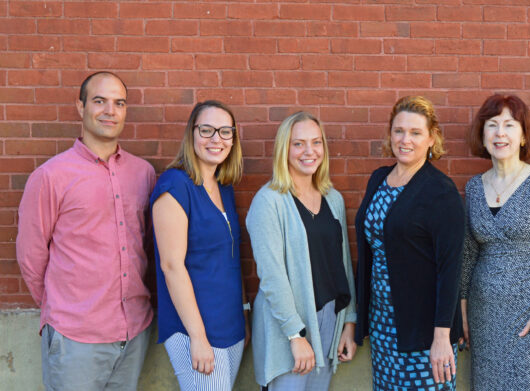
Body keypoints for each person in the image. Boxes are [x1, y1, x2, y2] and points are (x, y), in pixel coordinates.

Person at [16, 71, 154, 390]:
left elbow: (144, 244)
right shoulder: (51, 176)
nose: (110, 110)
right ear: (80, 107)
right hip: (75, 336)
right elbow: (31, 256)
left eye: (119, 103)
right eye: (99, 101)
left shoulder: (143, 173)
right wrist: (63, 311)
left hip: (134, 331)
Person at [354, 96, 465, 390]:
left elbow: (450, 268)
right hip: (383, 324)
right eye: (399, 131)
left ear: (431, 138)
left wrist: (442, 337)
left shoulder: (441, 192)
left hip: (424, 331)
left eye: (416, 133)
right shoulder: (378, 179)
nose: (406, 140)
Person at [459, 94, 530, 390]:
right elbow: (468, 254)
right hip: (484, 317)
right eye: (492, 125)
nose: (500, 133)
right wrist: (463, 310)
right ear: (483, 135)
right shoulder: (474, 187)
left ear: (522, 135)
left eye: (509, 125)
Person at [246, 111, 357, 390]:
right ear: (285, 149)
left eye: (316, 142)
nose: (309, 151)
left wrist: (349, 323)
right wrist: (296, 336)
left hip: (329, 319)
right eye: (298, 144)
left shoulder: (333, 198)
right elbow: (272, 276)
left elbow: (342, 265)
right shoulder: (268, 201)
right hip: (287, 325)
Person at [150, 100, 249, 390]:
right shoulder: (174, 186)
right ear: (191, 134)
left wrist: (244, 311)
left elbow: (231, 259)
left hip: (230, 324)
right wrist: (198, 337)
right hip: (195, 329)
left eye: (225, 131)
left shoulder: (223, 187)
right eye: (207, 130)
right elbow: (171, 266)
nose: (216, 139)